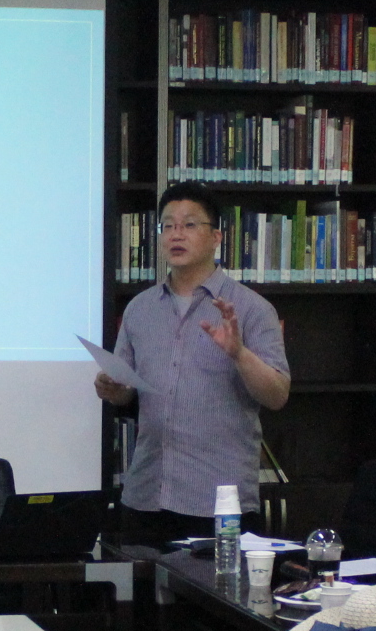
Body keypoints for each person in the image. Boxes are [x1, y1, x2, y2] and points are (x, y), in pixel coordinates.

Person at [97, 181, 291, 545]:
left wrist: (239, 353)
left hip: (217, 502)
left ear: (216, 237)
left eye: (189, 224)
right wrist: (112, 388)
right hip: (147, 494)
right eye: (168, 225)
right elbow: (125, 393)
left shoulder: (252, 309)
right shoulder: (140, 309)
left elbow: (278, 395)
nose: (176, 234)